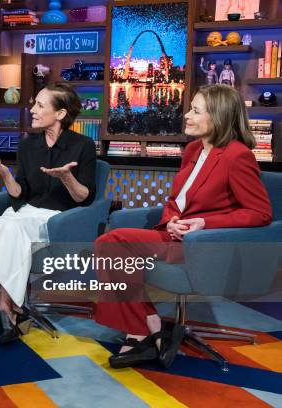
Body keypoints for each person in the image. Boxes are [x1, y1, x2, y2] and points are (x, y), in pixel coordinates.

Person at [94, 84, 272, 369]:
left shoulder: (238, 156)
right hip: (173, 235)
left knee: (112, 243)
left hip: (205, 246)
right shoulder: (192, 150)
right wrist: (172, 220)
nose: (186, 115)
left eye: (195, 110)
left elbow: (260, 213)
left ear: (218, 117)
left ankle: (142, 331)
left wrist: (203, 223)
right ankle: (151, 327)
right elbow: (178, 200)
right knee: (110, 244)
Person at [0, 83, 97, 344]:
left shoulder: (83, 146)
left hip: (58, 219)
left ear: (60, 114)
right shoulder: (28, 145)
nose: (32, 110)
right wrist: (5, 175)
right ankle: (11, 304)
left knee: (11, 231)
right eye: (34, 104)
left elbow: (83, 198)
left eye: (40, 105)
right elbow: (19, 193)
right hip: (23, 213)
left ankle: (5, 309)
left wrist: (66, 177)